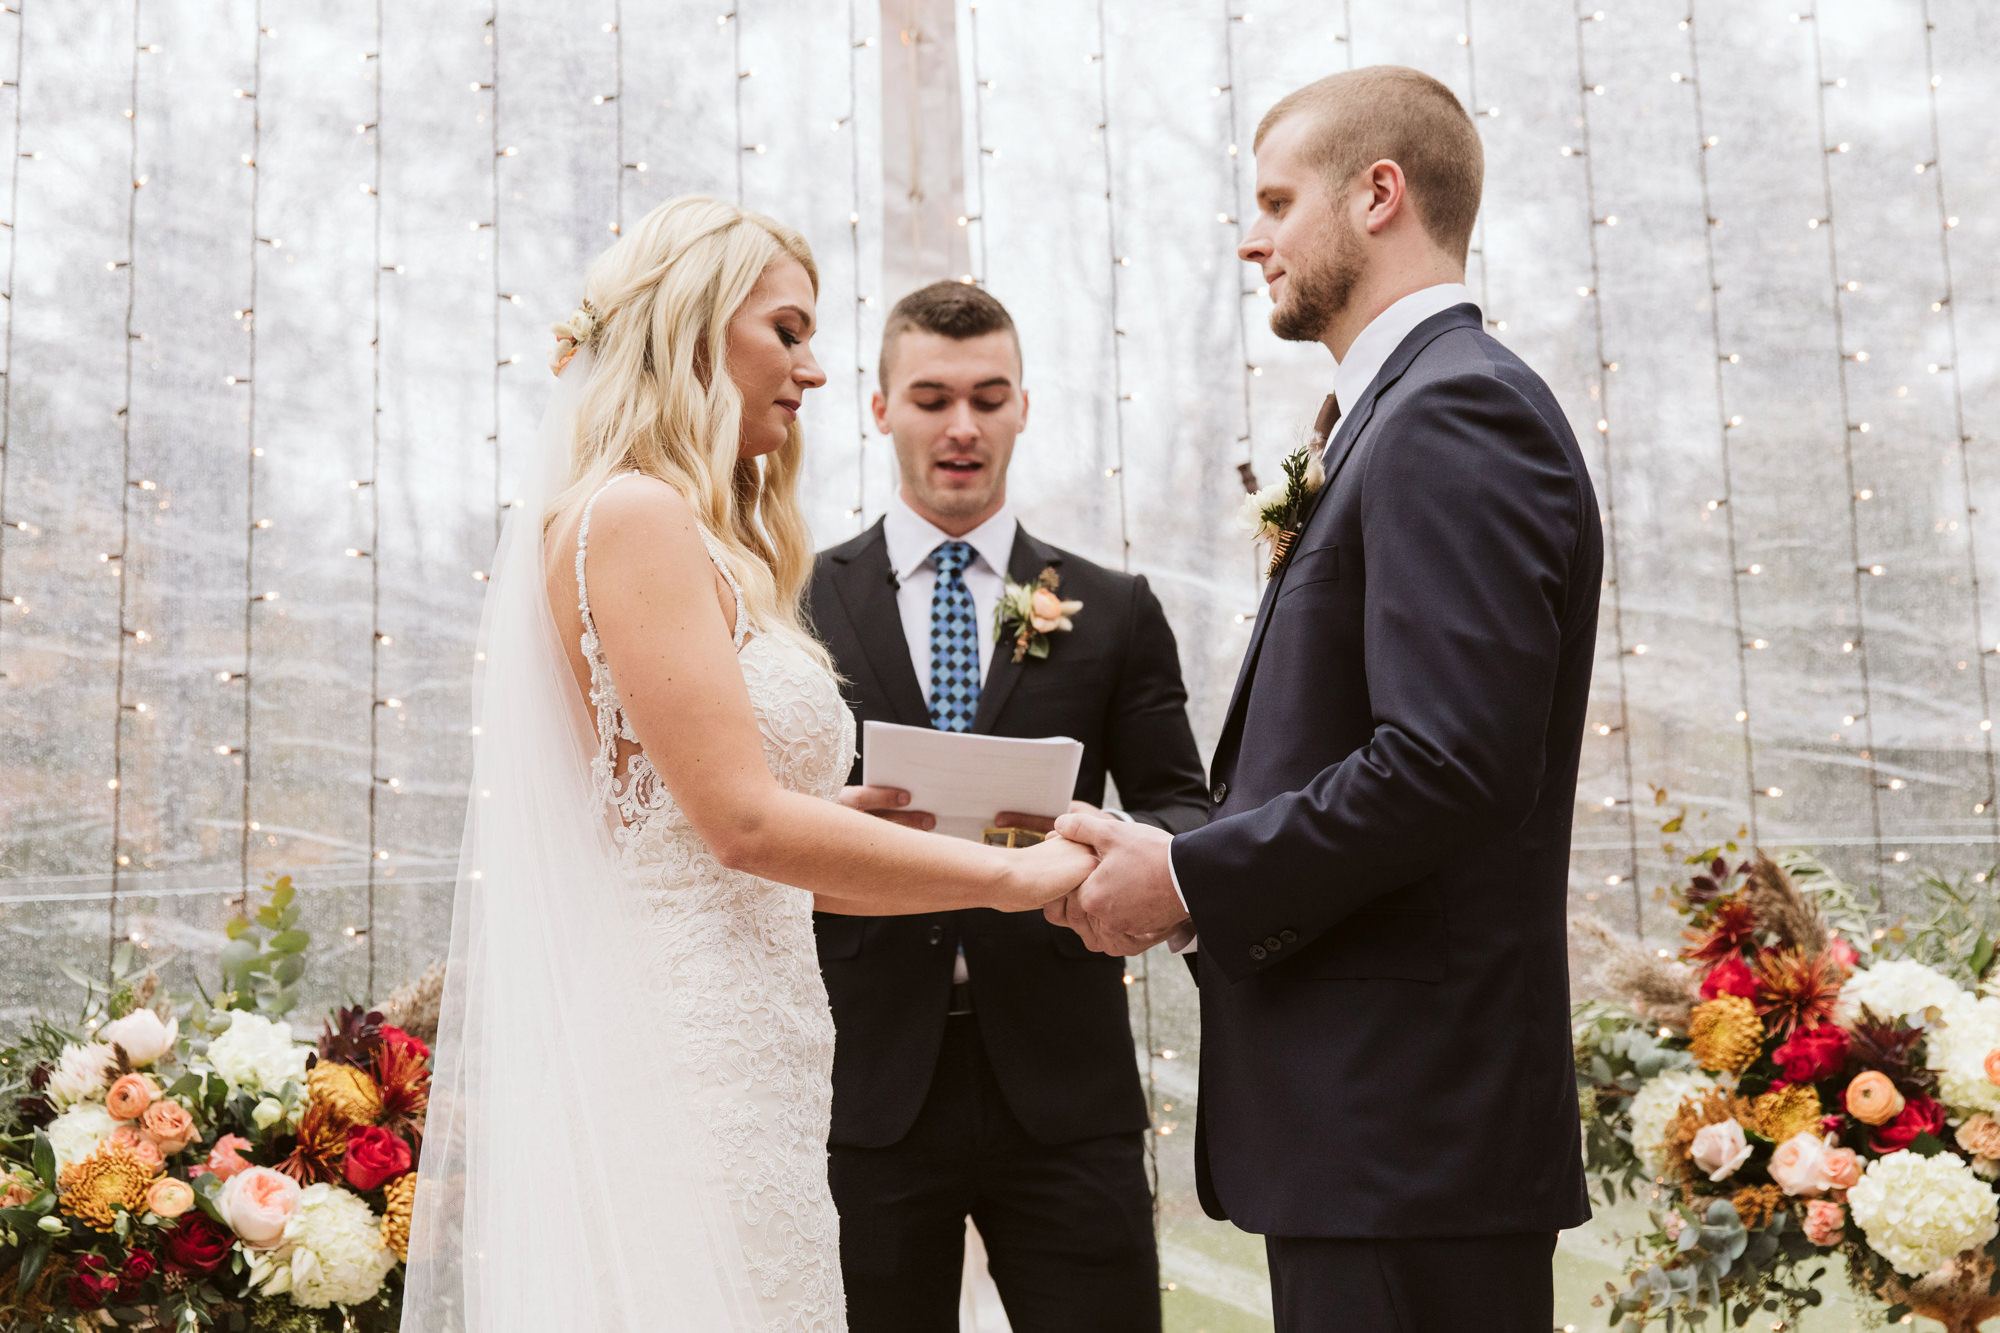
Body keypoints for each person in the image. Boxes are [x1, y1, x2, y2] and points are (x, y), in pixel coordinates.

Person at [401, 196, 1097, 1333]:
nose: (813, 371)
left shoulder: (694, 530)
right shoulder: (632, 516)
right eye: (787, 330)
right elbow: (741, 828)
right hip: (686, 1059)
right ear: (693, 327)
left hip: (759, 1058)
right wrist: (1015, 874)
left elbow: (762, 837)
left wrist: (852, 822)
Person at [1048, 67, 1599, 1333]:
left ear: (1378, 196)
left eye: (1275, 201)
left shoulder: (1455, 412)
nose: (1252, 237)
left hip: (1408, 1138)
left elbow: (1448, 763)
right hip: (1375, 1145)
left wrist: (1187, 875)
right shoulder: (1399, 415)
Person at [807, 281, 1209, 1331]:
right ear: (878, 406)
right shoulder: (797, 603)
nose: (960, 426)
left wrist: (1116, 848)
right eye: (931, 396)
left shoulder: (1114, 608)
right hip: (859, 1076)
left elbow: (1178, 802)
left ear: (1022, 406)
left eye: (988, 397)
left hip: (1064, 1076)